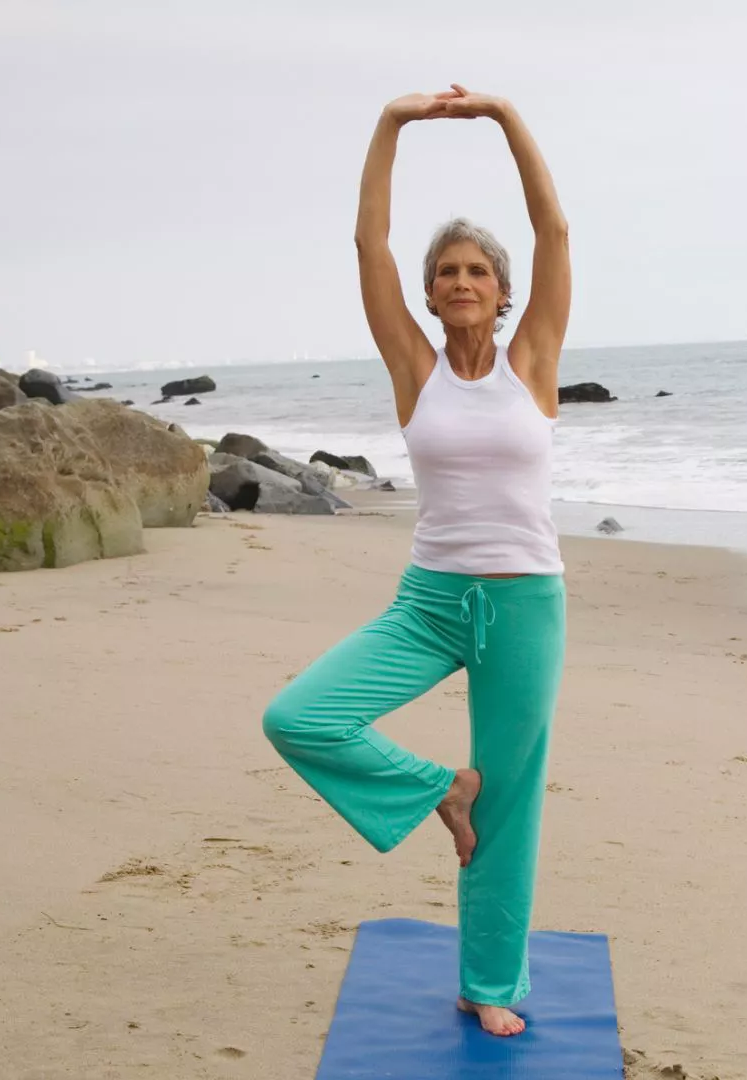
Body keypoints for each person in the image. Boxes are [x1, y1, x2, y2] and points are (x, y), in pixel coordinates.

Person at [262, 84, 571, 1038]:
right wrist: (392, 124)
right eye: (447, 271)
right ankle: (439, 790)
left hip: (524, 601)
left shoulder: (535, 359)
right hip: (430, 598)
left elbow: (553, 228)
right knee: (300, 716)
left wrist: (504, 116)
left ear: (504, 289)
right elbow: (368, 246)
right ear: (431, 294)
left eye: (479, 269)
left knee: (512, 805)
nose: (463, 281)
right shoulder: (414, 368)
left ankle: (489, 982)